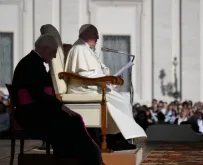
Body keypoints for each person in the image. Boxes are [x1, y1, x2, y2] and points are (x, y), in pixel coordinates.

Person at [12, 35, 103, 165]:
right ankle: (82, 159)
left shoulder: (32, 62)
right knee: (72, 121)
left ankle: (76, 156)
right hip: (30, 114)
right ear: (45, 48)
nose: (54, 56)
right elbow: (38, 95)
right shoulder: (32, 64)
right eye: (54, 52)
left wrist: (58, 106)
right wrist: (59, 106)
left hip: (34, 110)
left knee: (73, 119)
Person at [65, 24, 147, 150]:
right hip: (82, 89)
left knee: (123, 98)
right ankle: (115, 139)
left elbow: (94, 71)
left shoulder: (86, 49)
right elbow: (83, 74)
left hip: (90, 86)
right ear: (86, 34)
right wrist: (105, 79)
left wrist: (107, 77)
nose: (97, 37)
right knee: (121, 101)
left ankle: (118, 138)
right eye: (94, 34)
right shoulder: (79, 48)